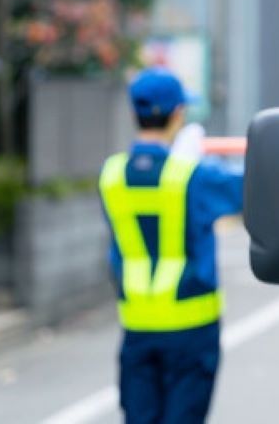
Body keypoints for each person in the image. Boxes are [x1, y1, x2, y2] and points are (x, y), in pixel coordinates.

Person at [98, 67, 243, 423]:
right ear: (178, 115)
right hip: (192, 331)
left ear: (134, 114)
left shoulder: (111, 175)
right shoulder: (193, 176)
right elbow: (251, 189)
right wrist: (193, 161)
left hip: (137, 328)